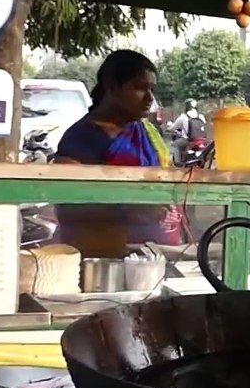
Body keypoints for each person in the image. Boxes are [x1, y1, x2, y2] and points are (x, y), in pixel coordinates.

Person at [53, 50, 181, 255]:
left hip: (151, 254)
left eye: (152, 89)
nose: (150, 98)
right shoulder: (81, 139)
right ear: (112, 87)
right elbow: (68, 207)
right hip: (101, 258)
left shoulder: (147, 132)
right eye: (140, 88)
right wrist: (132, 210)